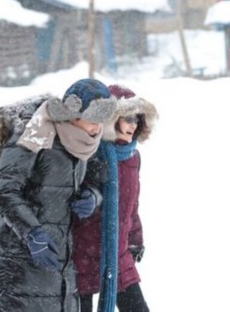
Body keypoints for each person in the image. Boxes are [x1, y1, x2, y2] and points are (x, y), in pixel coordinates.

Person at [0, 78, 117, 312]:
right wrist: (32, 233)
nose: (97, 128)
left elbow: (95, 182)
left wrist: (92, 196)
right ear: (73, 112)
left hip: (59, 263)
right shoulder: (34, 132)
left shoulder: (85, 144)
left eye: (102, 122)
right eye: (93, 120)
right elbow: (4, 190)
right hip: (18, 262)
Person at [72, 84, 158, 312]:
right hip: (84, 251)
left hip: (117, 253)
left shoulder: (132, 156)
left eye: (137, 119)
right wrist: (91, 197)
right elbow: (71, 197)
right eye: (127, 118)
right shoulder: (90, 152)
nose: (133, 125)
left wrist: (135, 238)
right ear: (112, 119)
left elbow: (132, 205)